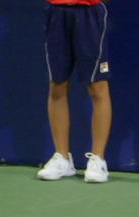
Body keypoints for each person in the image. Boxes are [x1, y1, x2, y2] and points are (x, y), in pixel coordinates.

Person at [37, 0, 112, 183]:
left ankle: (98, 160)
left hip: (90, 13)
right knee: (57, 86)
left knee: (97, 88)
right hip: (57, 13)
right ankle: (62, 159)